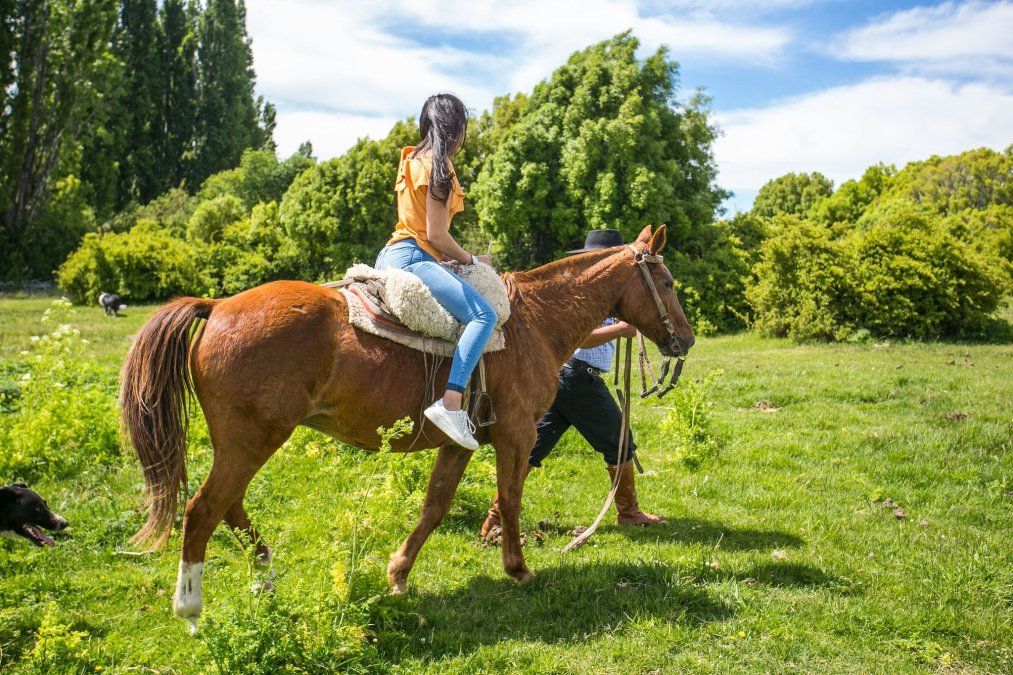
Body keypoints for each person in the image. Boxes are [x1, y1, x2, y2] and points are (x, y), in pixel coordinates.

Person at [480, 229, 666, 536]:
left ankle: (495, 518)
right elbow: (583, 340)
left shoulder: (604, 297)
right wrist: (621, 329)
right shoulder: (580, 297)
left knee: (529, 448)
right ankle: (628, 512)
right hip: (578, 377)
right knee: (619, 441)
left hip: (567, 377)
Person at [374, 93, 495, 451]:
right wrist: (472, 261)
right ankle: (452, 401)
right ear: (455, 129)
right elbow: (437, 235)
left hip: (391, 254)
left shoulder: (411, 158)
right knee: (483, 316)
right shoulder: (439, 167)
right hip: (412, 258)